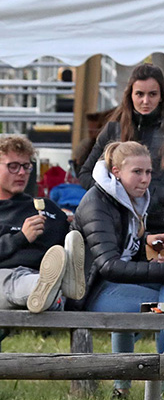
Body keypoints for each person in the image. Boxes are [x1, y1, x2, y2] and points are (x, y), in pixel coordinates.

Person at [75, 141, 164, 399]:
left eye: (149, 172)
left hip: (115, 282)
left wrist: (145, 242)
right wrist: (163, 272)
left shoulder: (131, 199)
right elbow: (108, 265)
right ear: (116, 172)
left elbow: (124, 249)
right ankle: (156, 381)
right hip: (93, 291)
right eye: (137, 172)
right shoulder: (97, 202)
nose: (145, 179)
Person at [78, 64, 164, 238]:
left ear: (162, 96)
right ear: (130, 95)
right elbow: (85, 174)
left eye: (152, 94)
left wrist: (159, 195)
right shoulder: (113, 129)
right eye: (140, 94)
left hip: (161, 227)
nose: (145, 101)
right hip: (117, 228)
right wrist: (115, 193)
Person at [0, 134, 85, 313]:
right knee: (13, 280)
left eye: (26, 166)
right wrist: (21, 237)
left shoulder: (46, 207)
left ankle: (53, 289)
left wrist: (77, 225)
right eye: (13, 166)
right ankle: (51, 290)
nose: (22, 173)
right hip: (7, 275)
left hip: (44, 272)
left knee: (70, 244)